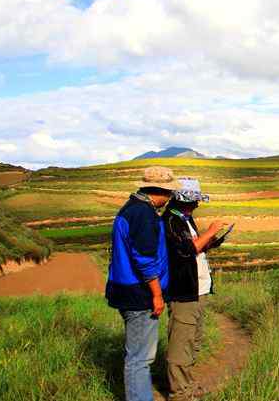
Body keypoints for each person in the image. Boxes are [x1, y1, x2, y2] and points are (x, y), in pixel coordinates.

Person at [105, 166, 180, 401]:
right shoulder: (144, 214)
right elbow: (145, 260)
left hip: (127, 289)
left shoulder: (130, 209)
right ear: (159, 191)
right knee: (140, 358)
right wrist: (157, 295)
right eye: (169, 193)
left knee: (138, 356)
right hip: (139, 294)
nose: (169, 199)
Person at [163, 177, 228, 401]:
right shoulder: (171, 221)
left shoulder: (184, 218)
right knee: (181, 343)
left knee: (192, 340)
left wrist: (210, 241)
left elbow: (194, 247)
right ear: (182, 200)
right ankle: (179, 393)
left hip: (197, 289)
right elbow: (186, 250)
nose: (197, 204)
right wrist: (210, 232)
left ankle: (186, 386)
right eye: (193, 201)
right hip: (184, 292)